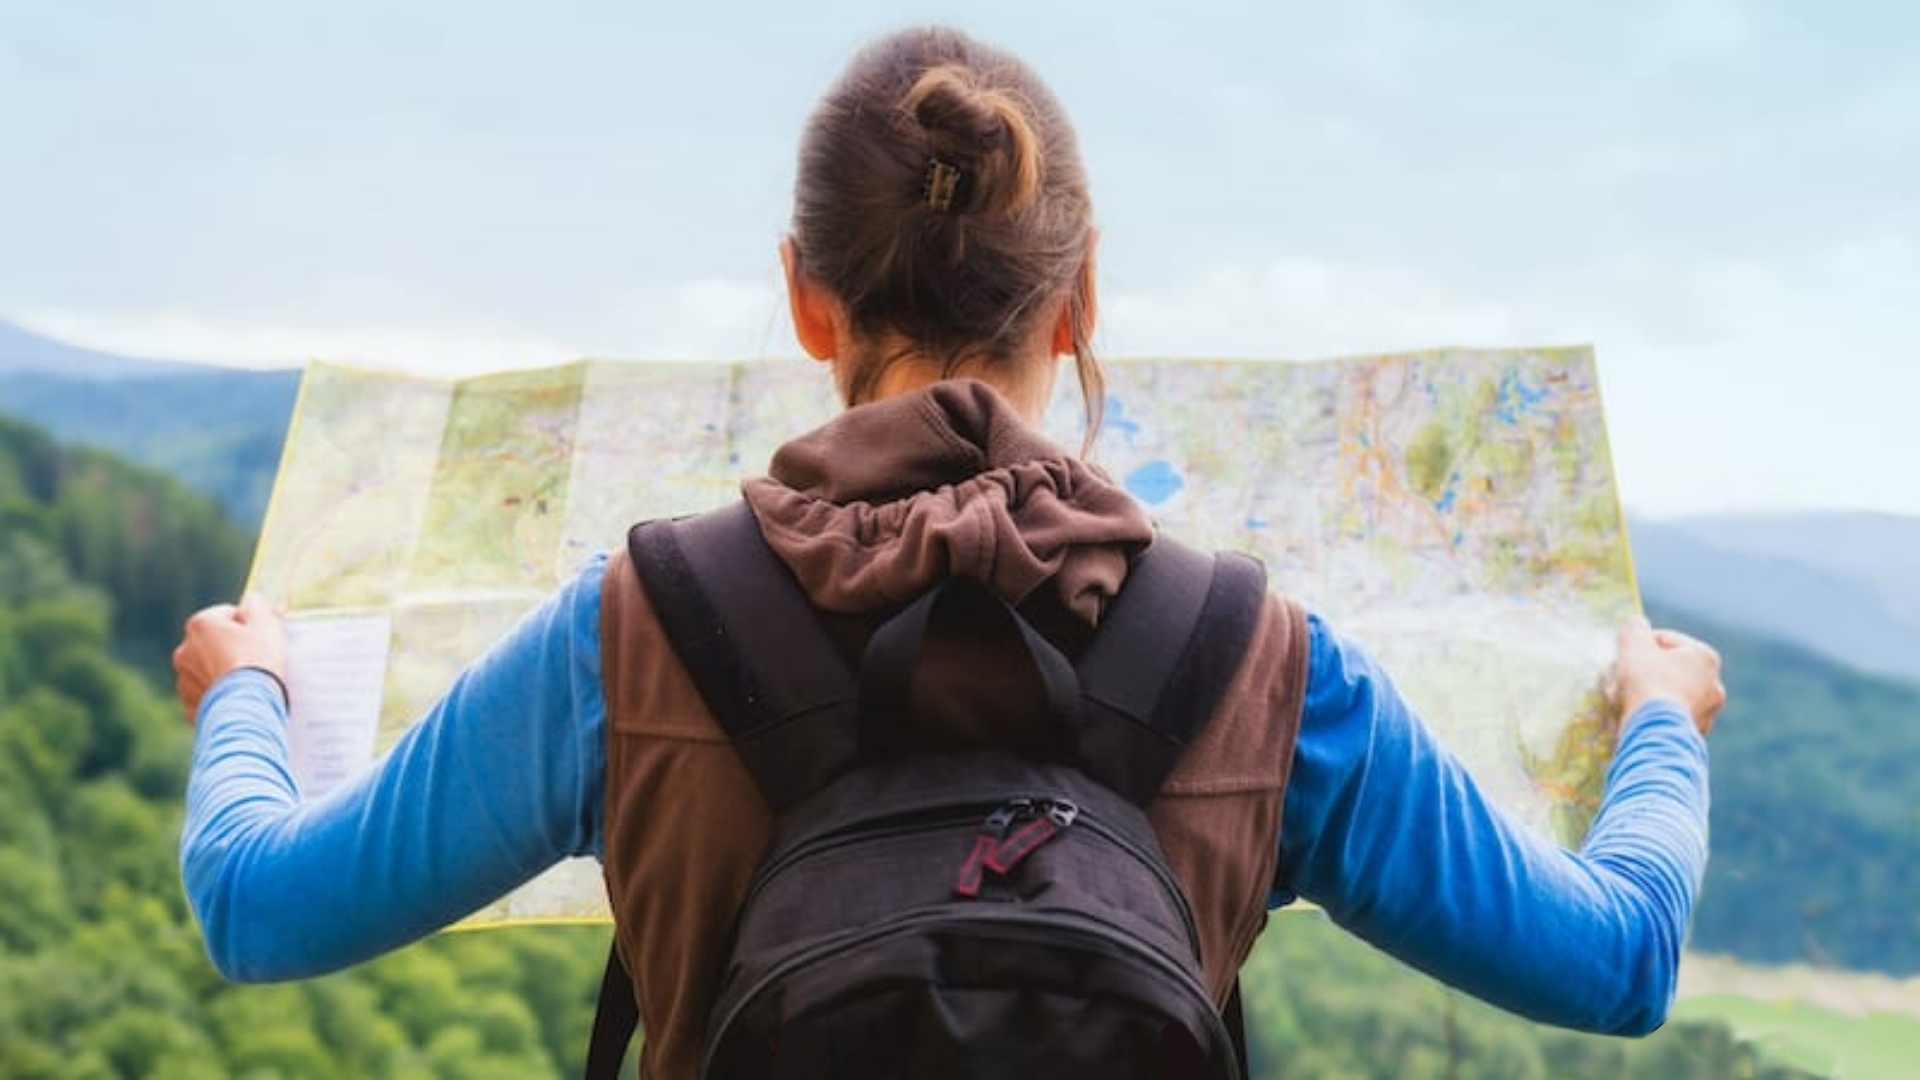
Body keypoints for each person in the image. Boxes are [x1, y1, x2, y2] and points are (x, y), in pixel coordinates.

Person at [174, 24, 1725, 1080]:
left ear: (806, 298)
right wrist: (1658, 718)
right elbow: (1616, 962)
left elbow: (260, 904)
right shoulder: (1267, 668)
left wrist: (247, 691)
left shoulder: (632, 635)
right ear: (1081, 299)